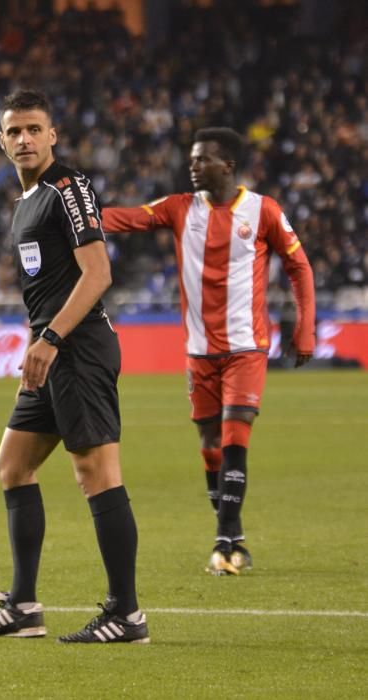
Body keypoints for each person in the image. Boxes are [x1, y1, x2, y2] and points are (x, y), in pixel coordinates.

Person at [0, 89, 149, 643]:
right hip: (48, 351)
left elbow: (97, 275)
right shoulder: (24, 201)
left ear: (53, 135)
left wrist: (48, 336)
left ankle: (127, 614)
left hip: (77, 346)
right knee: (12, 466)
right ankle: (24, 606)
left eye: (33, 129)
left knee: (96, 474)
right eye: (14, 131)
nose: (23, 139)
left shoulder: (67, 188)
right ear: (1, 141)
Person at [102, 127, 315, 575]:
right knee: (209, 444)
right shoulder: (181, 208)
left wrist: (305, 329)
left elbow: (299, 267)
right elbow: (127, 218)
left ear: (228, 166)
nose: (193, 166)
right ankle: (234, 537)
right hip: (199, 352)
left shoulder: (263, 211)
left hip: (246, 347)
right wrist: (74, 214)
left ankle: (223, 541)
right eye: (192, 159)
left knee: (236, 438)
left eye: (202, 159)